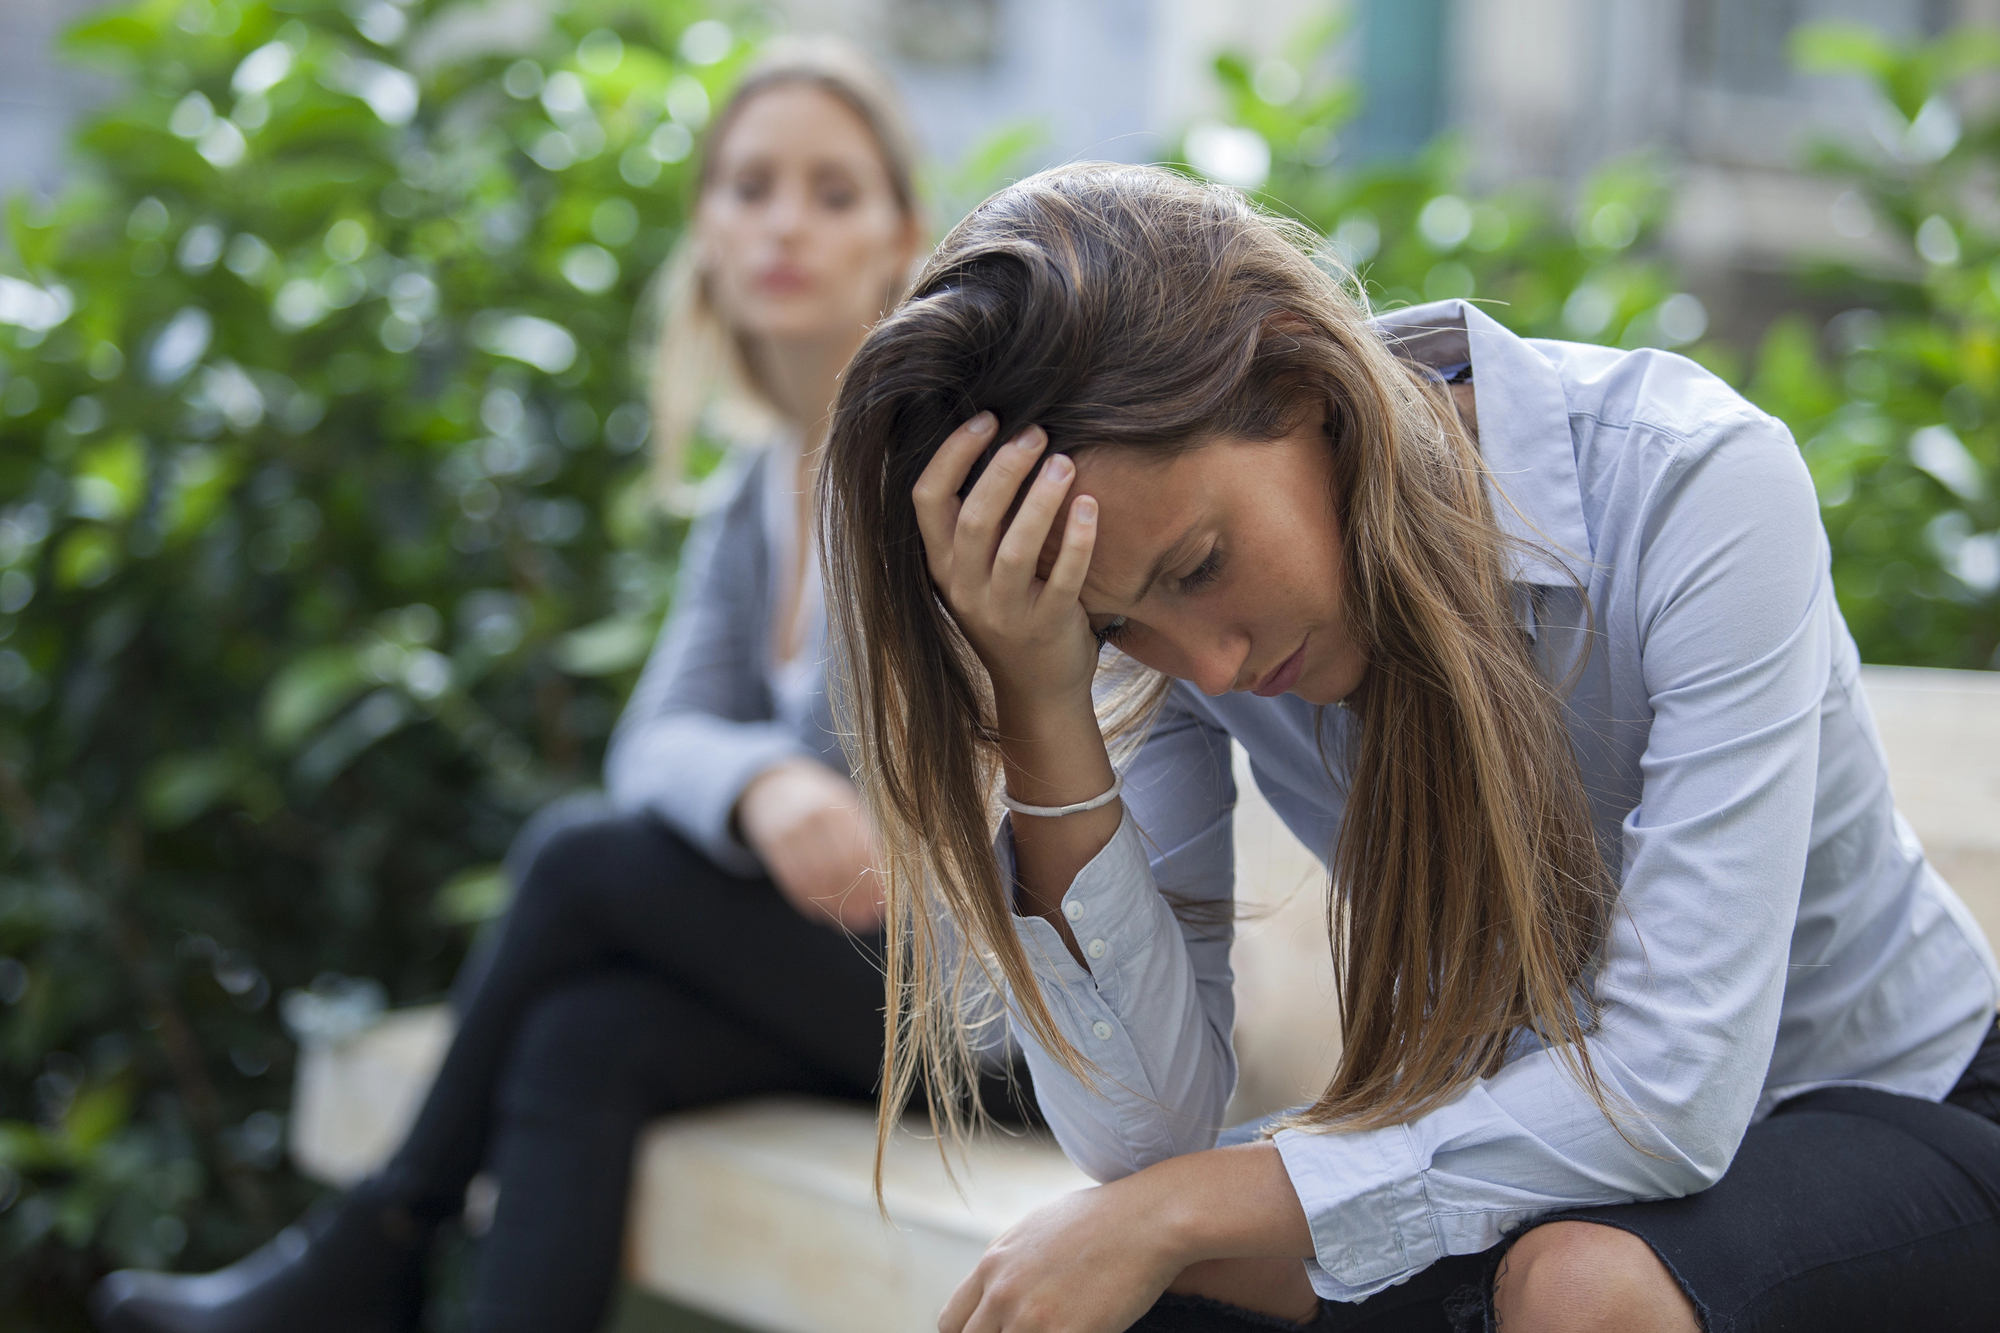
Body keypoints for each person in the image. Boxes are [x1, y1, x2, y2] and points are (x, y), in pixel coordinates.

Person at [817, 163, 2000, 1333]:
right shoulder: (1168, 631)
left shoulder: (1691, 484)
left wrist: (1182, 1209)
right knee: (1122, 1295)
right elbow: (1143, 1137)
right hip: (1536, 1161)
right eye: (1121, 623)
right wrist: (1045, 699)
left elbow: (1668, 1094)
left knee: (1580, 1288)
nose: (1211, 666)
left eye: (1199, 567)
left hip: (1895, 1115)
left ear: (1304, 378)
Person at [93, 38, 935, 1333]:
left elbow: (908, 826)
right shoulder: (755, 486)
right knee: (580, 1043)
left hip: (974, 1020)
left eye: (834, 193)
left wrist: (766, 792)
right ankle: (375, 1256)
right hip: (836, 975)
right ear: (705, 223)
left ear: (901, 237)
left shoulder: (916, 468)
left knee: (579, 862)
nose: (785, 224)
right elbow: (654, 739)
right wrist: (762, 782)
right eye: (750, 186)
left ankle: (375, 1243)